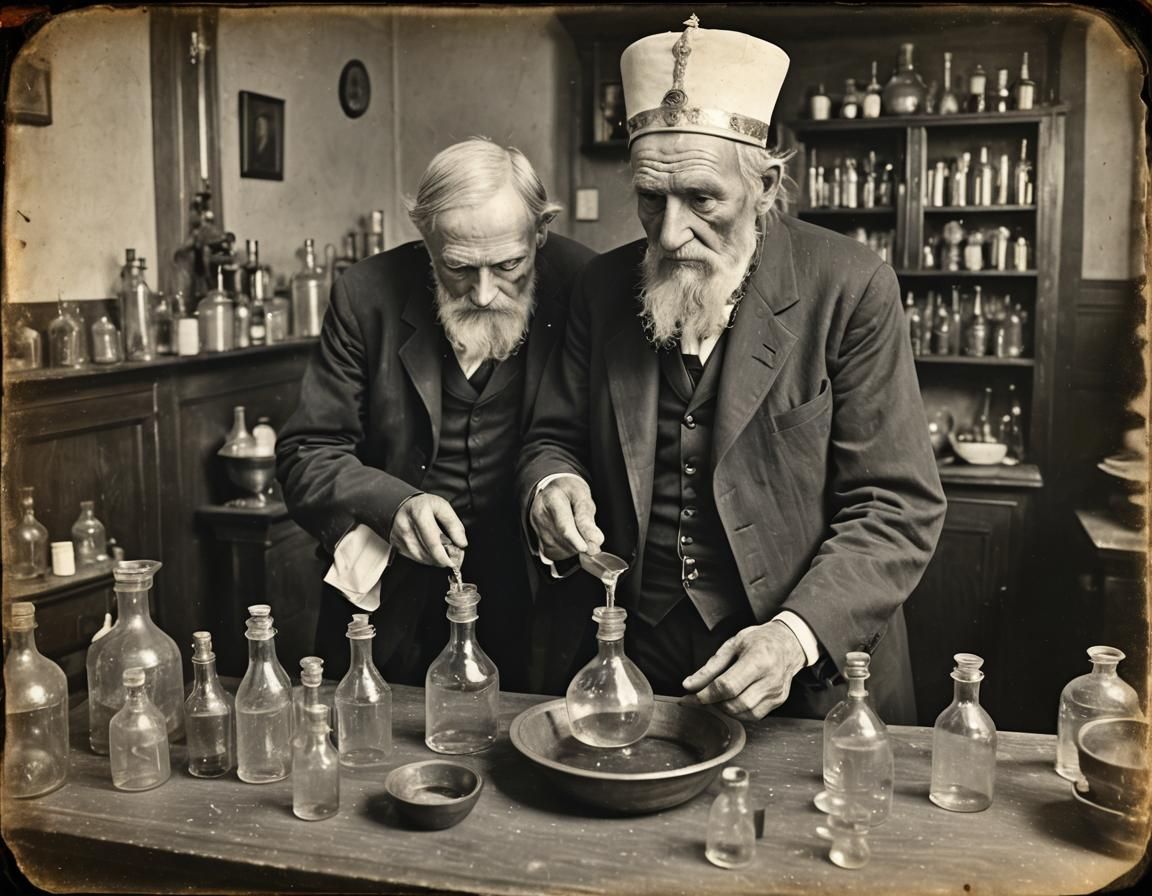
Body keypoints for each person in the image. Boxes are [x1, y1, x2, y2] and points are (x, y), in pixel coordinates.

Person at [517, 18, 946, 723]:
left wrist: (793, 635)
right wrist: (552, 484)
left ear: (766, 183)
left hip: (798, 671)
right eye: (651, 198)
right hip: (632, 656)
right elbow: (549, 438)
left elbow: (896, 507)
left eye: (702, 199)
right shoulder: (600, 288)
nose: (669, 231)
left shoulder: (851, 286)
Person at [277, 137, 595, 689]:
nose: (485, 293)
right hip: (392, 598)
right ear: (425, 238)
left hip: (538, 591)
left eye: (510, 265)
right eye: (458, 268)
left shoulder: (587, 285)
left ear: (541, 232)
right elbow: (307, 453)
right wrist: (394, 504)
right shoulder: (364, 295)